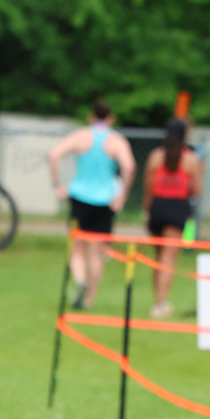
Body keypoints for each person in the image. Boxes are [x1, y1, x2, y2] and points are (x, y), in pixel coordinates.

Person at [49, 101, 136, 310]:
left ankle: (80, 281)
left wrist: (57, 185)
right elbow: (129, 166)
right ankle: (89, 299)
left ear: (91, 117)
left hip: (79, 197)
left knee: (77, 250)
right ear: (111, 118)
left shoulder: (80, 136)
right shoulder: (116, 141)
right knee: (96, 253)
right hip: (105, 201)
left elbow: (53, 156)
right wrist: (122, 195)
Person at [143, 117, 203, 319]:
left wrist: (147, 212)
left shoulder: (155, 156)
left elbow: (149, 188)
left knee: (159, 258)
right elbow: (197, 190)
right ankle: (160, 303)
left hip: (157, 207)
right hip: (177, 208)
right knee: (168, 259)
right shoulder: (191, 159)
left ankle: (158, 300)